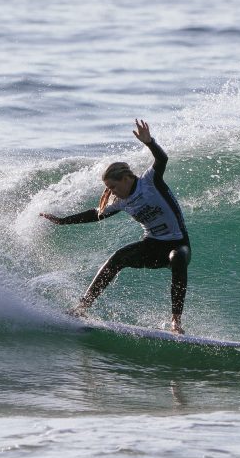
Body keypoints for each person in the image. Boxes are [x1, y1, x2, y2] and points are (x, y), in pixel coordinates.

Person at [41, 120, 191, 333]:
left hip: (178, 244)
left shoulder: (150, 181)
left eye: (113, 186)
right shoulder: (119, 201)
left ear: (126, 178)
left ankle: (176, 321)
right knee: (116, 259)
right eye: (108, 188)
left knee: (177, 259)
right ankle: (82, 307)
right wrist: (62, 221)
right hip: (151, 246)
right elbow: (96, 214)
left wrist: (150, 142)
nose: (111, 191)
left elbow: (162, 158)